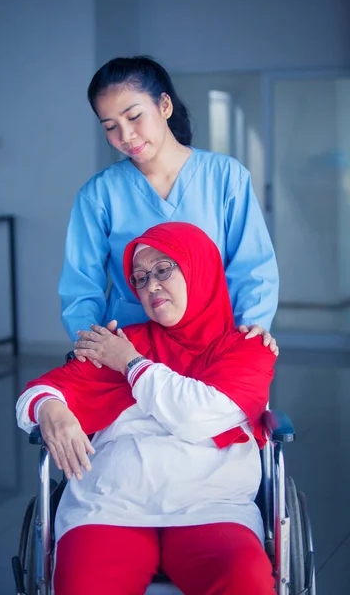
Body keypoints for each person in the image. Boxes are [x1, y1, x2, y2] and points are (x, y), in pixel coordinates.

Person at [17, 222, 276, 595]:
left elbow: (194, 415)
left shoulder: (246, 348)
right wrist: (49, 410)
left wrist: (132, 365)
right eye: (139, 277)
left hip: (210, 508)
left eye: (163, 270)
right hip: (110, 507)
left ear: (198, 266)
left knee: (245, 581)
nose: (150, 285)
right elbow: (39, 392)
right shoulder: (120, 342)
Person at [58, 56, 279, 363]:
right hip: (127, 349)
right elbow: (81, 283)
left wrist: (251, 331)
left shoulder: (225, 177)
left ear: (164, 106)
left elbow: (252, 267)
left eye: (134, 116)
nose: (126, 136)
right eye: (111, 126)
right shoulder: (99, 195)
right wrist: (92, 342)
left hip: (212, 347)